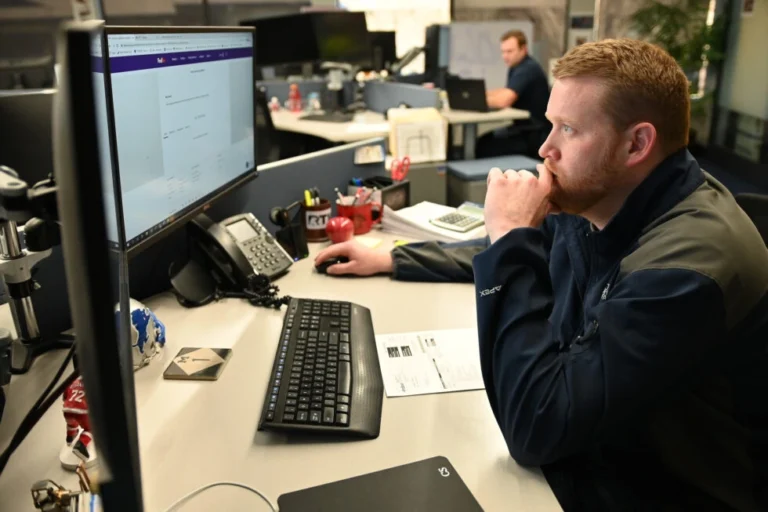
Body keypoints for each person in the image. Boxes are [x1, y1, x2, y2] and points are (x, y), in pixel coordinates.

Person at [315, 38, 768, 511]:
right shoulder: (601, 195)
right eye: (551, 124)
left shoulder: (687, 269)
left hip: (655, 487)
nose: (544, 148)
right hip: (599, 446)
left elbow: (537, 425)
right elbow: (533, 243)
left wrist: (510, 235)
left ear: (637, 143)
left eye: (568, 129)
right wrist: (396, 258)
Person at [476, 30, 551, 159]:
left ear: (523, 49)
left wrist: (475, 100)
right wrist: (482, 94)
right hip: (525, 129)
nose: (505, 56)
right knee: (483, 141)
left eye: (510, 51)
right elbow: (507, 90)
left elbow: (504, 101)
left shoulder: (527, 69)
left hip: (534, 134)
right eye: (503, 52)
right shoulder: (517, 66)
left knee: (484, 145)